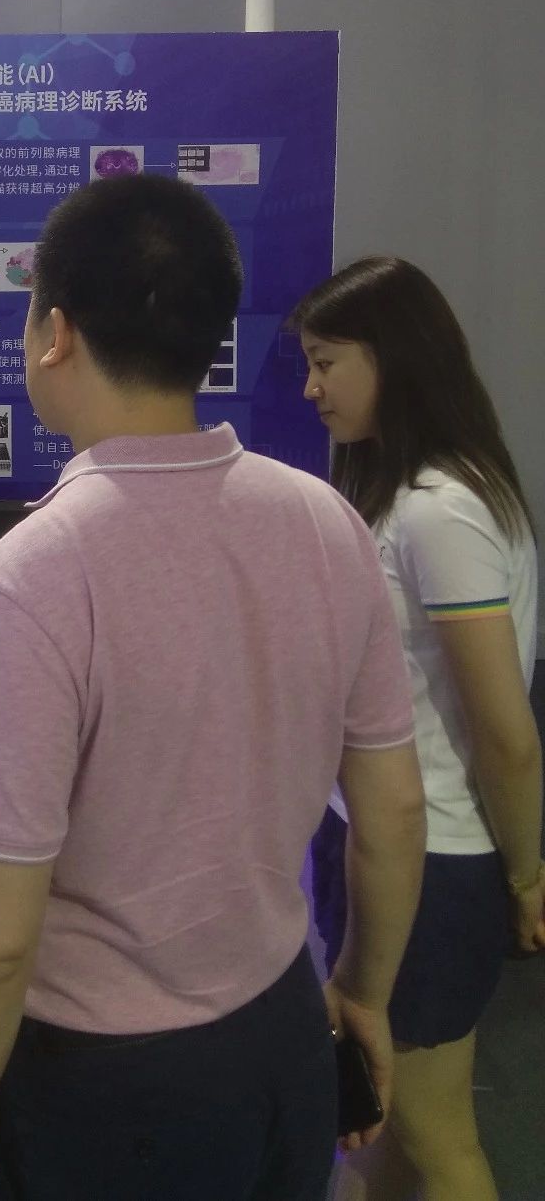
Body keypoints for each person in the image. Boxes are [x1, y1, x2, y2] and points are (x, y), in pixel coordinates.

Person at [0, 176, 428, 1201]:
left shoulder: (34, 572)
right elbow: (395, 809)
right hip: (281, 1025)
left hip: (107, 1082)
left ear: (54, 333)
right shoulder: (324, 520)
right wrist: (362, 993)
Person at [291, 256, 544, 1201]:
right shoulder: (409, 498)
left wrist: (526, 875)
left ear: (393, 357)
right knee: (379, 1117)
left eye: (327, 362)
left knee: (436, 1133)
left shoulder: (442, 511)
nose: (312, 388)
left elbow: (507, 733)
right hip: (385, 841)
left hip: (432, 860)